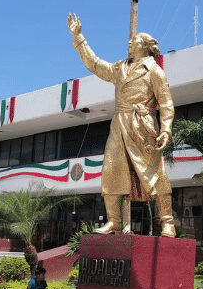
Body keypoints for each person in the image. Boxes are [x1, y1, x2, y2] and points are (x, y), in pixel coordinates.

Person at [68, 14, 176, 237]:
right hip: (119, 125)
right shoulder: (120, 68)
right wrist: (79, 38)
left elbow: (166, 103)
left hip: (142, 126)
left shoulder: (154, 71)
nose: (129, 42)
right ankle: (114, 222)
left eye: (134, 41)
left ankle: (168, 222)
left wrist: (165, 129)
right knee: (110, 171)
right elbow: (95, 64)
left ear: (145, 46)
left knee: (154, 174)